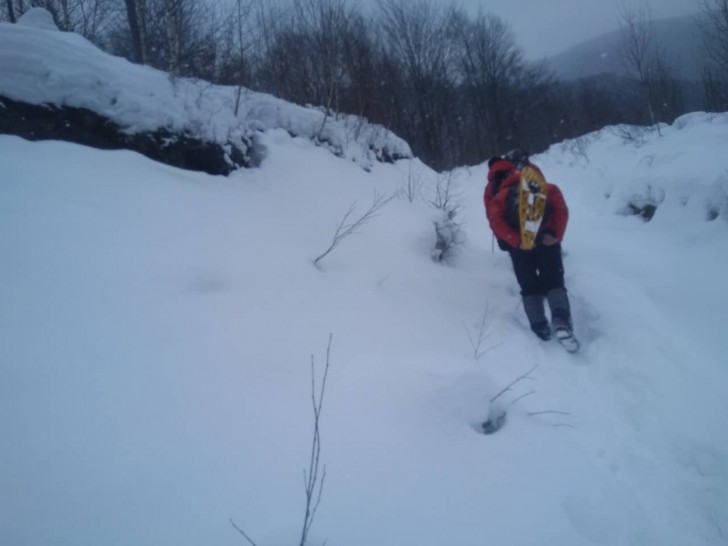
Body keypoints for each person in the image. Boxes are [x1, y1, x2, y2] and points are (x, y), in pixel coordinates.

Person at [484, 148, 574, 342]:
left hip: (519, 246)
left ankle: (539, 326)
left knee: (529, 285)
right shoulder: (546, 186)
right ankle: (561, 321)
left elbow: (494, 219)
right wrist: (555, 234)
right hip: (546, 239)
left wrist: (512, 240)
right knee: (554, 281)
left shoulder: (498, 193)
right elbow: (561, 209)